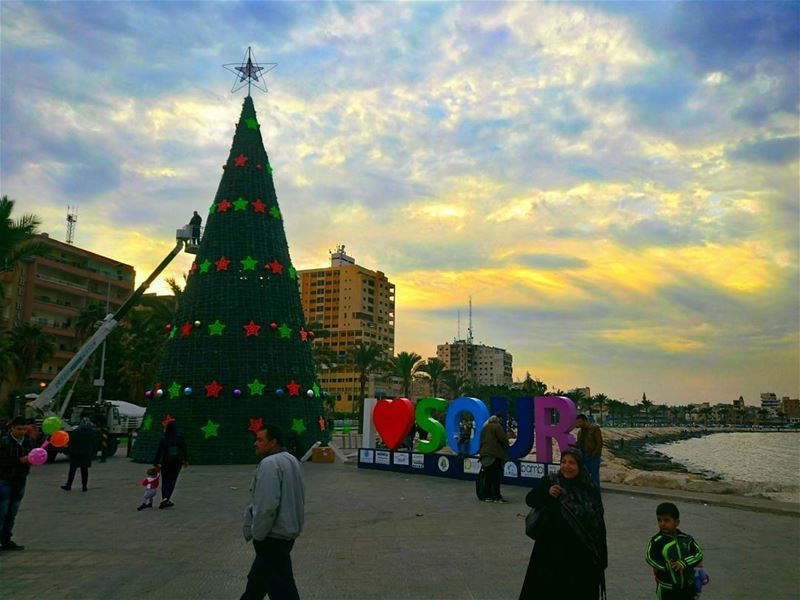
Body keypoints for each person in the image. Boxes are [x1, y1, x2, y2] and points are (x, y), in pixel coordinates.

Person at [519, 447, 607, 599]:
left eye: (572, 463)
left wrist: (601, 557)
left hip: (581, 556)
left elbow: (599, 524)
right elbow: (530, 499)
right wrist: (547, 493)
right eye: (563, 462)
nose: (567, 466)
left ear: (580, 466)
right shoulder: (552, 481)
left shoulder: (590, 489)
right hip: (551, 554)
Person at [241, 425, 304, 600]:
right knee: (256, 584)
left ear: (273, 442)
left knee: (282, 589)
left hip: (272, 538)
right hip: (286, 533)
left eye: (260, 440)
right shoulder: (292, 460)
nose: (256, 443)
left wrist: (258, 534)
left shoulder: (270, 464)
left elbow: (266, 506)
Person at [645, 502, 704, 600]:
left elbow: (698, 553)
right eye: (659, 520)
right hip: (667, 588)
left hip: (687, 587)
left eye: (666, 520)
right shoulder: (656, 541)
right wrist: (666, 566)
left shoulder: (686, 539)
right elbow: (649, 558)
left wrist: (684, 562)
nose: (662, 524)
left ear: (676, 522)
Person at [0, 416, 35, 551]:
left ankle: (6, 540)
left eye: (24, 429)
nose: (21, 432)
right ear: (12, 428)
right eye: (19, 429)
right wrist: (19, 460)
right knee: (1, 513)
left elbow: (32, 456)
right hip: (4, 481)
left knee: (12, 513)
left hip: (20, 481)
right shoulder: (4, 441)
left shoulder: (28, 442)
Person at [153, 420, 188, 509]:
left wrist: (156, 462)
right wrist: (186, 460)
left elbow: (159, 452)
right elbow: (184, 449)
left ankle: (164, 498)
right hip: (177, 461)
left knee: (165, 480)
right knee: (172, 480)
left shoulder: (164, 438)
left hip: (166, 461)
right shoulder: (179, 437)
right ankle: (167, 499)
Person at [478, 413, 509, 503]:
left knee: (488, 477)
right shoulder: (497, 427)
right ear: (497, 419)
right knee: (496, 477)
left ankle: (487, 496)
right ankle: (497, 497)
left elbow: (481, 441)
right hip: (495, 455)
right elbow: (503, 439)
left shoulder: (485, 428)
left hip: (485, 455)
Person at [61, 417, 94, 492]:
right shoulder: (91, 432)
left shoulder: (76, 432)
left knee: (72, 470)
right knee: (84, 471)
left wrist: (68, 452)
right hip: (85, 454)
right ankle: (84, 486)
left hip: (75, 453)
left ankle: (68, 485)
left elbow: (71, 443)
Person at [575, 414, 603, 488]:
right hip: (583, 456)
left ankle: (596, 494)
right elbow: (579, 444)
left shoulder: (595, 429)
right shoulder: (580, 432)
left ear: (585, 421)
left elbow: (599, 443)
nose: (579, 424)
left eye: (580, 422)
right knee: (584, 476)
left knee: (594, 477)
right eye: (577, 422)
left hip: (593, 457)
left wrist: (595, 454)